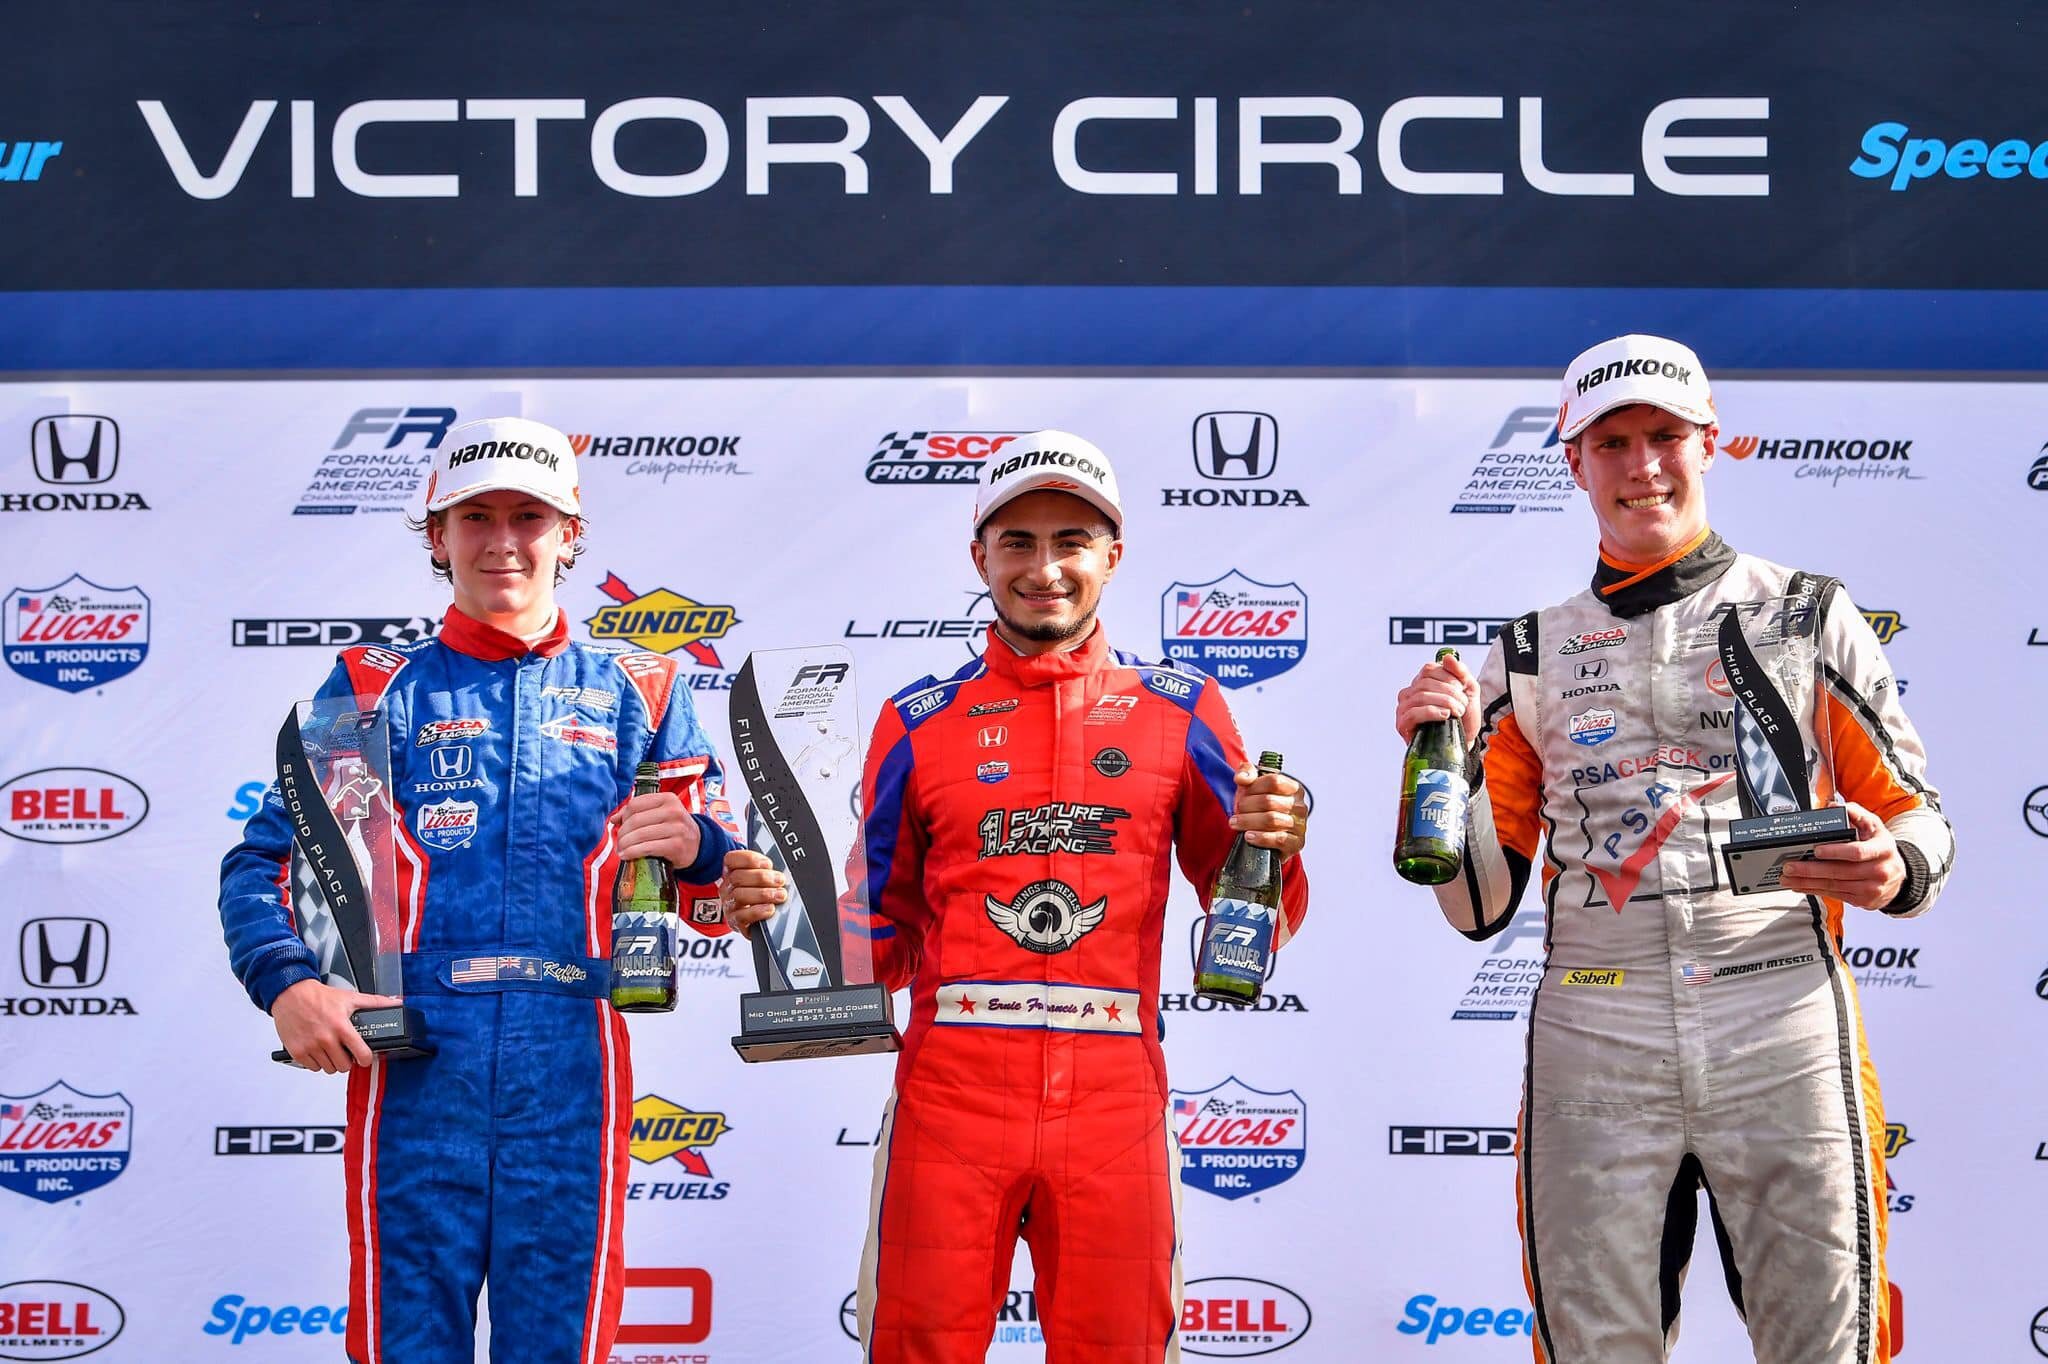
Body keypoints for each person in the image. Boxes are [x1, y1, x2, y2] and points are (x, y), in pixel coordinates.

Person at [1393, 336, 1954, 1364]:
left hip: (1776, 1010)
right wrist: (1442, 771)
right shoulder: (1524, 651)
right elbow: (1475, 904)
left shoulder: (1804, 612)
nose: (1640, 463)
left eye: (1662, 436)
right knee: (1592, 1345)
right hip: (1593, 1023)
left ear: (1710, 445)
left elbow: (1917, 814)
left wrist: (1894, 866)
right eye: (1611, 442)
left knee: (1828, 1342)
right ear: (1572, 462)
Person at [721, 430, 1310, 1363]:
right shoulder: (917, 721)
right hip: (952, 1086)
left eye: (1071, 540)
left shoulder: (1183, 707)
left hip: (1115, 1090)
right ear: (980, 556)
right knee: (916, 1345)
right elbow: (882, 929)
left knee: (1118, 1347)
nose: (1046, 569)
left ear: (1113, 556)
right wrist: (779, 917)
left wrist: (1279, 844)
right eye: (1019, 542)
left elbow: (1245, 913)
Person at [218, 416, 739, 1364]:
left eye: (529, 516)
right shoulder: (371, 686)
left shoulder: (645, 689)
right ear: (436, 535)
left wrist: (708, 848)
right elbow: (263, 866)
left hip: (573, 1054)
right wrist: (289, 983)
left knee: (562, 1347)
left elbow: (717, 898)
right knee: (405, 1345)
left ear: (569, 532)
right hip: (417, 1058)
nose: (504, 540)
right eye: (477, 516)